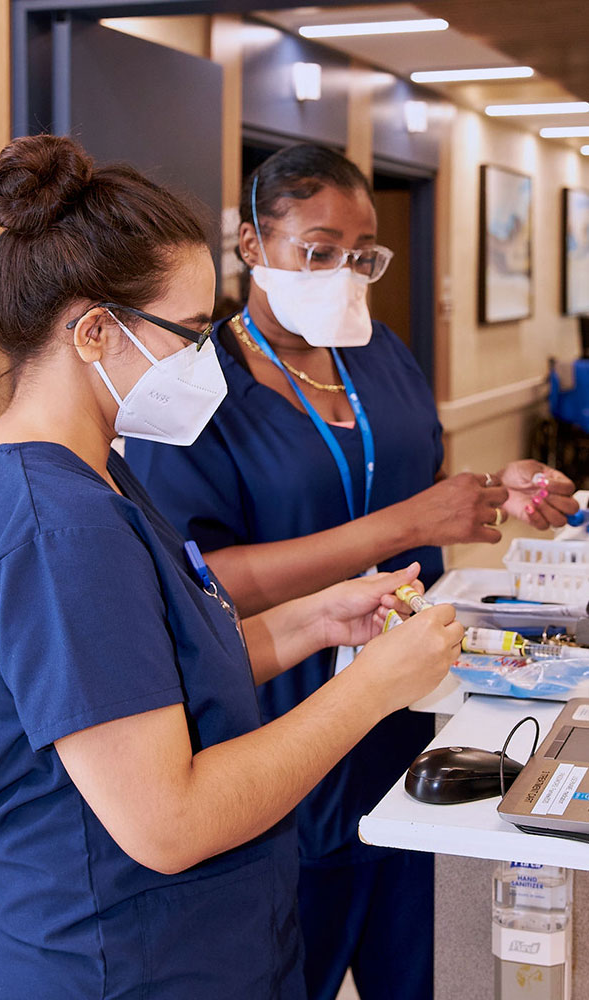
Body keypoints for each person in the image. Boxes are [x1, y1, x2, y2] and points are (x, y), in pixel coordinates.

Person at [0, 134, 465, 1000]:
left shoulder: (96, 474)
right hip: (116, 966)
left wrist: (314, 620)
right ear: (96, 333)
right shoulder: (55, 532)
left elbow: (150, 677)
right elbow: (167, 821)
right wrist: (372, 686)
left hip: (200, 951)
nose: (204, 360)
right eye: (187, 336)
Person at [124, 143, 579, 1000]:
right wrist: (406, 522)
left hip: (418, 710)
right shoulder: (197, 390)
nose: (341, 272)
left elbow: (423, 489)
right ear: (252, 244)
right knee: (299, 946)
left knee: (424, 956)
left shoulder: (381, 357)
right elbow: (197, 582)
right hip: (285, 721)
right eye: (316, 249)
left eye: (361, 254)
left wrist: (497, 491)